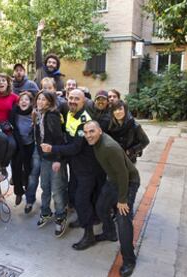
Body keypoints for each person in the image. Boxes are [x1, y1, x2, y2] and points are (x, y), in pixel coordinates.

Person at [41, 89, 106, 249]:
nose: (72, 101)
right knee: (76, 196)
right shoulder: (70, 112)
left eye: (77, 99)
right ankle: (87, 219)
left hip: (87, 167)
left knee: (81, 200)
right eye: (70, 98)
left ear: (84, 102)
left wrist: (53, 149)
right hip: (76, 165)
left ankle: (89, 235)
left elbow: (75, 147)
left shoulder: (85, 121)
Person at [83, 121, 140, 277]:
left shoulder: (109, 147)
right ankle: (109, 233)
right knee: (101, 207)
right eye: (86, 132)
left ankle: (129, 260)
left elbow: (124, 174)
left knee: (123, 220)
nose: (88, 135)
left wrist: (122, 200)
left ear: (100, 131)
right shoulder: (94, 142)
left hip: (128, 182)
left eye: (92, 131)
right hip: (112, 180)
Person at [34, 90, 68, 237]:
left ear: (49, 102)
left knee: (57, 190)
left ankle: (60, 216)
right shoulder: (38, 115)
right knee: (45, 187)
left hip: (55, 159)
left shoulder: (52, 115)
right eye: (38, 99)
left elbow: (59, 139)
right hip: (44, 158)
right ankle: (46, 212)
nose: (40, 102)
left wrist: (58, 160)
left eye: (43, 99)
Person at [10, 92, 35, 205]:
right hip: (17, 144)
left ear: (30, 103)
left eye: (26, 100)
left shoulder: (34, 113)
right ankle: (18, 192)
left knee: (29, 168)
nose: (23, 102)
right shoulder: (14, 112)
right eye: (21, 100)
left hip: (29, 144)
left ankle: (29, 192)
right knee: (16, 169)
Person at [34, 20, 65, 92]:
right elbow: (38, 51)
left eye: (54, 63)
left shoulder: (59, 79)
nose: (51, 64)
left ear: (57, 66)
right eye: (49, 62)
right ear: (46, 63)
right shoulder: (40, 68)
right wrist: (39, 33)